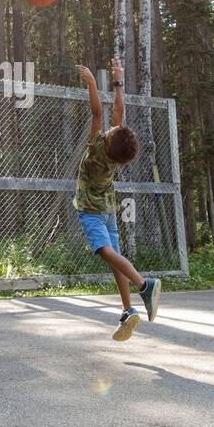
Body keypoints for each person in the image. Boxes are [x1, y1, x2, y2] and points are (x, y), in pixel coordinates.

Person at [74, 57, 160, 341]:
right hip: (110, 207)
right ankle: (127, 310)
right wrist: (118, 81)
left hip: (91, 209)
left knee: (105, 251)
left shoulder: (97, 148)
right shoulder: (114, 152)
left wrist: (91, 83)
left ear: (107, 140)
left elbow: (97, 112)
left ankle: (144, 284)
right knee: (115, 259)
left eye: (111, 130)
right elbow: (117, 114)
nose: (111, 126)